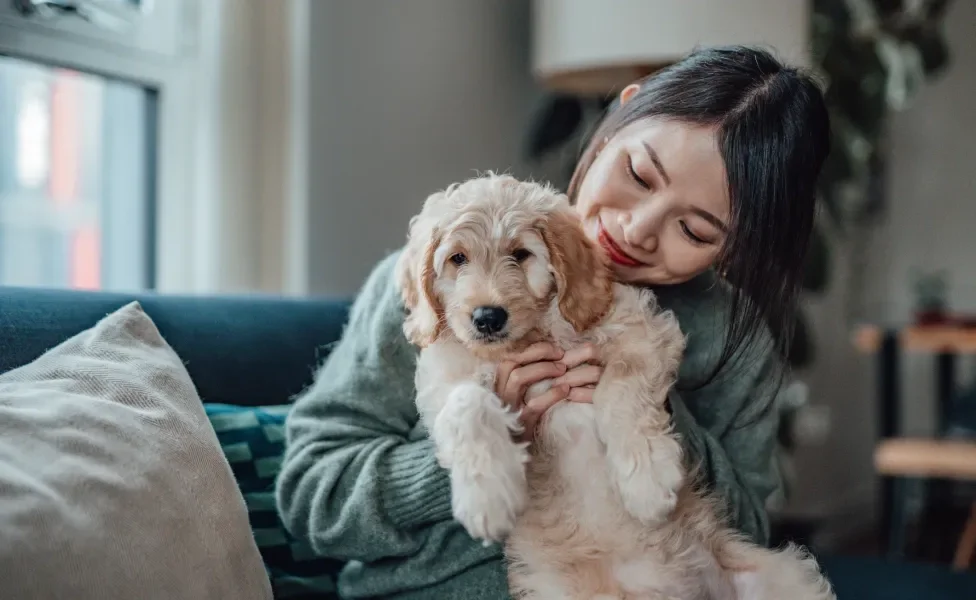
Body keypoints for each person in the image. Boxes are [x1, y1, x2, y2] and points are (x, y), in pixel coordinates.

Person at [276, 45, 831, 600]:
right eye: (638, 173)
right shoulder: (438, 287)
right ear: (619, 116)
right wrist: (478, 448)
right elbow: (313, 498)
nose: (638, 228)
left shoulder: (735, 337)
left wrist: (655, 413)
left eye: (695, 231)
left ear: (737, 243)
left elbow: (747, 531)